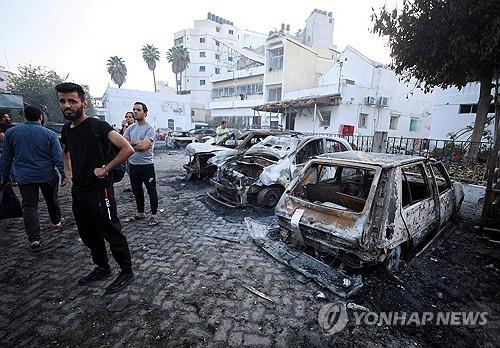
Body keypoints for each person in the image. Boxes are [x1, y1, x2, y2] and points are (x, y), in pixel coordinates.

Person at [56, 82, 135, 294]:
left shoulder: (98, 126)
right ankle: (102, 267)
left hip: (101, 190)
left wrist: (106, 167)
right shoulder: (66, 129)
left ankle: (126, 271)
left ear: (83, 102)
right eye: (62, 101)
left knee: (111, 230)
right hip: (79, 191)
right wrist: (68, 172)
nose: (67, 105)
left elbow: (127, 148)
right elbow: (66, 151)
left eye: (72, 101)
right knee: (88, 233)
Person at [0, 106, 65, 251]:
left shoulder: (11, 133)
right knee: (51, 199)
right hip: (47, 174)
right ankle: (56, 221)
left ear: (25, 117)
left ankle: (34, 239)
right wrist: (64, 174)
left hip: (25, 177)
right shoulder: (49, 134)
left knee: (29, 206)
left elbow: (5, 159)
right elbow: (58, 157)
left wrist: (5, 178)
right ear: (40, 117)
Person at [123, 102, 159, 226]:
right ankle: (140, 212)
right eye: (134, 109)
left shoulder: (149, 129)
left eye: (138, 109)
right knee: (136, 190)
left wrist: (130, 144)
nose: (135, 111)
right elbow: (123, 144)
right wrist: (136, 143)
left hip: (147, 166)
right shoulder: (130, 128)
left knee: (151, 190)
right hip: (133, 165)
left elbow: (144, 146)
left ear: (145, 113)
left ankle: (154, 215)